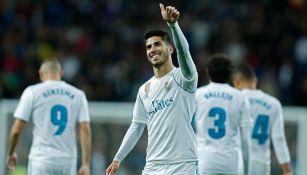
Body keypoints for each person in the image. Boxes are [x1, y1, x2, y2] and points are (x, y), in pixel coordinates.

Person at [106, 3, 198, 175]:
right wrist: (118, 158)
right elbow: (137, 126)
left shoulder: (184, 78)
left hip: (182, 163)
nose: (152, 50)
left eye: (157, 44)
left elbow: (184, 53)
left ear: (170, 48)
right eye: (148, 47)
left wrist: (173, 25)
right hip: (153, 165)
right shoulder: (144, 90)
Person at [6, 58, 91, 175]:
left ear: (41, 73)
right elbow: (85, 129)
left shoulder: (32, 92)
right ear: (61, 73)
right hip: (67, 162)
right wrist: (85, 164)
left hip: (41, 161)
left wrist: (11, 153)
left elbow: (16, 130)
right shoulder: (78, 94)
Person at [195, 54, 251, 175]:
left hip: (205, 160)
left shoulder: (198, 95)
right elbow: (246, 139)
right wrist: (247, 168)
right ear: (230, 74)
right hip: (230, 163)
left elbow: (187, 131)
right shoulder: (240, 97)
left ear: (207, 72)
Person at [232, 64, 292, 175]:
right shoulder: (273, 103)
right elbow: (279, 139)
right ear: (255, 80)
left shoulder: (233, 100)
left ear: (237, 81)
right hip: (261, 164)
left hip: (237, 162)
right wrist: (287, 170)